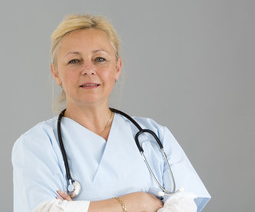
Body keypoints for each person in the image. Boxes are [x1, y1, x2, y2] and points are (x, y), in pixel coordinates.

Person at [12, 14, 211, 212]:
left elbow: (185, 202)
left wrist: (78, 208)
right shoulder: (36, 143)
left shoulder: (153, 135)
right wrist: (137, 203)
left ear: (117, 68)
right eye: (74, 61)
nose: (88, 69)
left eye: (100, 59)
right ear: (56, 73)